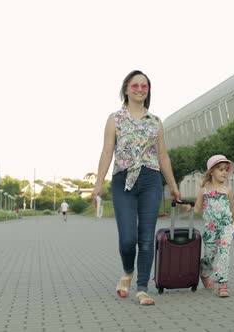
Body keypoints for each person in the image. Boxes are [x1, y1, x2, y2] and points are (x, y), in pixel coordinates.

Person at [92, 70, 180, 306]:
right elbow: (107, 151)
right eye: (135, 85)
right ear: (126, 89)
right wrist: (99, 182)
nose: (140, 89)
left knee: (147, 238)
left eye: (144, 86)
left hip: (151, 180)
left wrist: (172, 185)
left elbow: (162, 156)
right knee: (128, 238)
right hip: (123, 181)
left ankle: (142, 288)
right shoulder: (115, 119)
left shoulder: (155, 122)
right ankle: (127, 271)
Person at [192, 155, 234, 297]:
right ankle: (204, 274)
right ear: (211, 172)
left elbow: (233, 208)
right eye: (221, 169)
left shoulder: (228, 190)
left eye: (226, 170)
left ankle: (223, 284)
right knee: (209, 255)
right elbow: (197, 208)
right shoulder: (204, 190)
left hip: (226, 226)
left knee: (225, 253)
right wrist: (189, 209)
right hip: (210, 229)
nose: (224, 172)